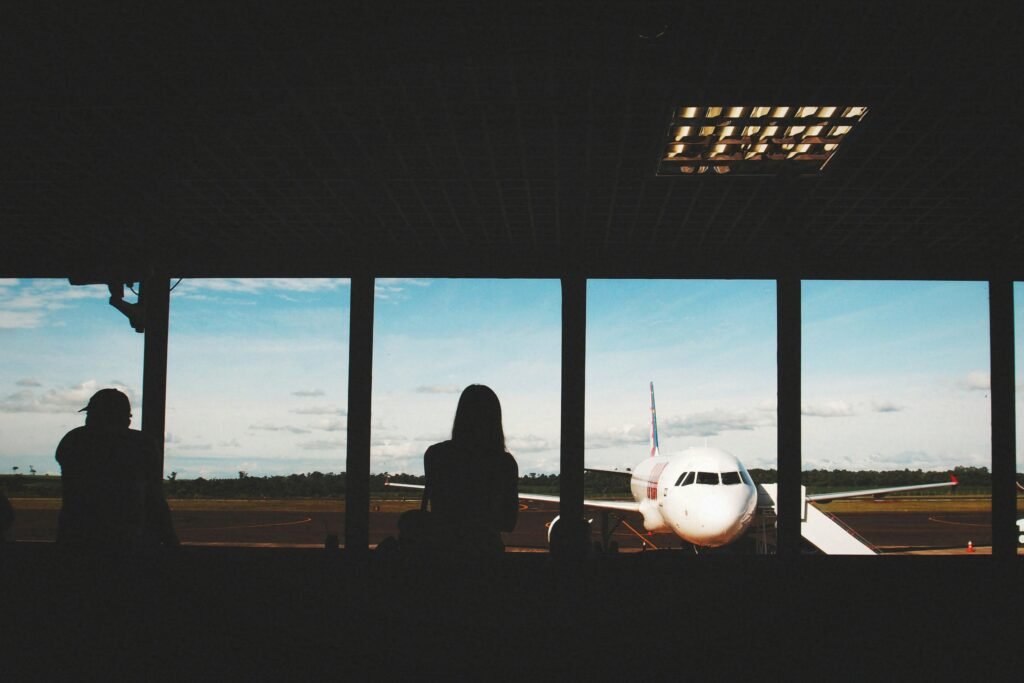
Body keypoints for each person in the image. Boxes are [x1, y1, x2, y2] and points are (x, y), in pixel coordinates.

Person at [55, 388, 178, 551]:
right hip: (129, 539)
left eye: (91, 415)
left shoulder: (74, 441)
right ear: (126, 419)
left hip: (76, 538)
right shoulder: (141, 444)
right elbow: (154, 497)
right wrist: (171, 541)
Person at [418, 384, 519, 556]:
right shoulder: (505, 463)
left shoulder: (436, 454)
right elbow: (509, 523)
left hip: (443, 550)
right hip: (487, 551)